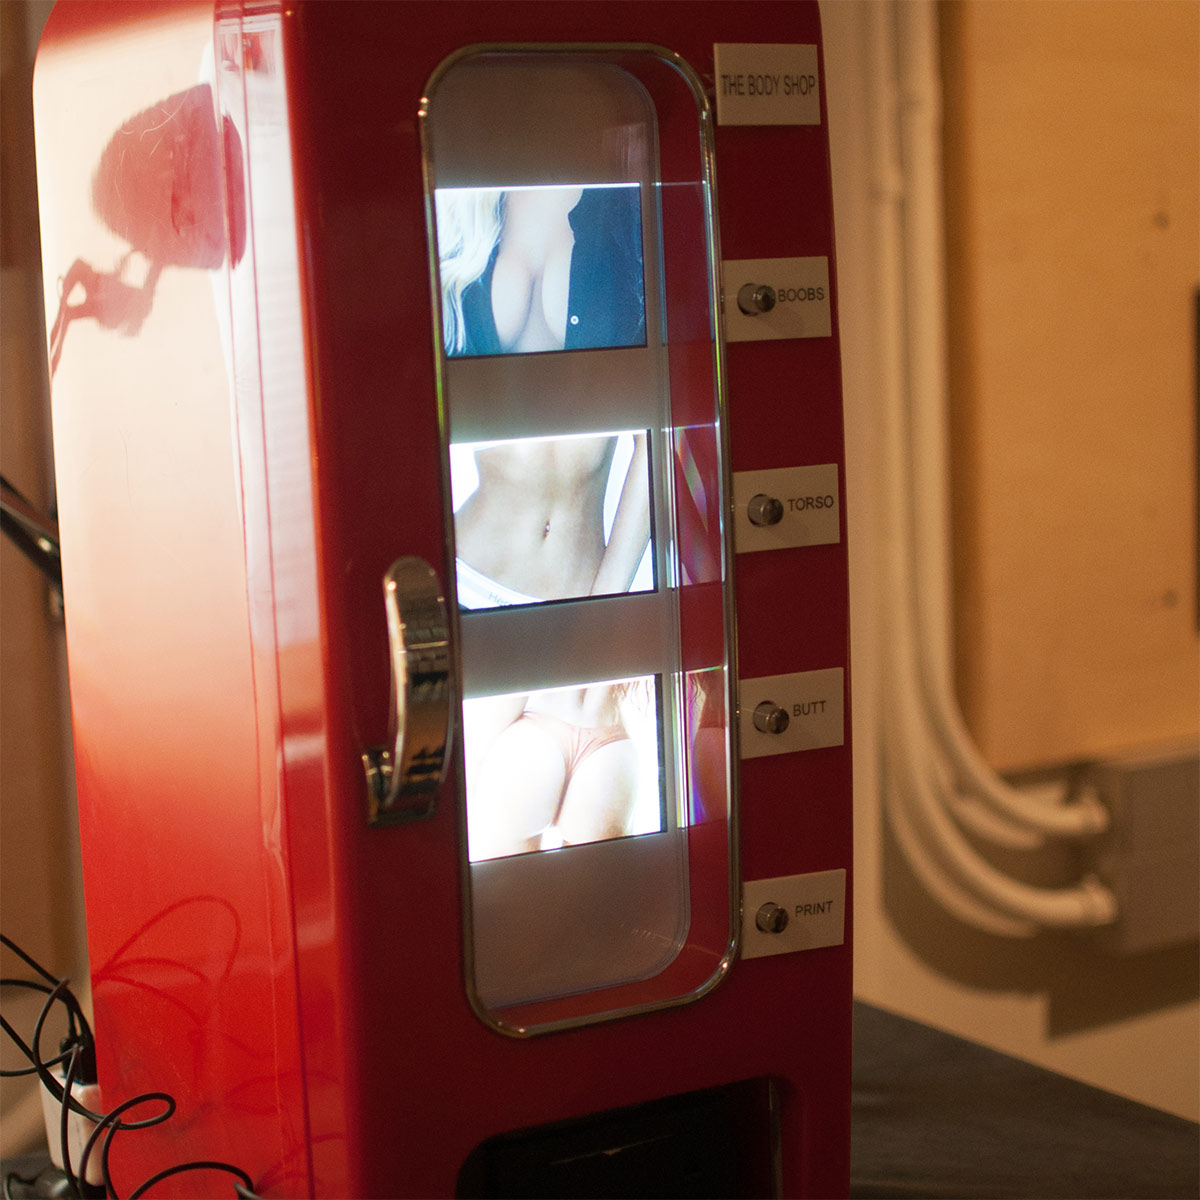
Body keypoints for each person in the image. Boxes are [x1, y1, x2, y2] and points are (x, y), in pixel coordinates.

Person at [464, 680, 652, 861]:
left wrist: (478, 764)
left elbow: (515, 686)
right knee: (592, 889)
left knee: (510, 884)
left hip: (538, 734)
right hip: (610, 748)